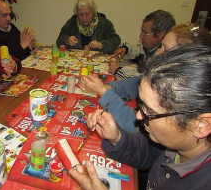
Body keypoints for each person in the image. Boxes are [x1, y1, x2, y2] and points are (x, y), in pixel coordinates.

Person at [70, 43, 211, 190]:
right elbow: (150, 154)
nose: (138, 116)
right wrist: (116, 137)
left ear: (201, 125)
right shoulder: (176, 145)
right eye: (141, 105)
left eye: (150, 111)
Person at [79, 23, 211, 133]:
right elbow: (136, 82)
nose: (158, 53)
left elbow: (137, 126)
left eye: (165, 49)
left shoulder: (178, 94)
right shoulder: (165, 76)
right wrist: (109, 87)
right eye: (161, 46)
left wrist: (104, 92)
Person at [109, 10, 175, 80]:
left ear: (160, 35)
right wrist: (125, 49)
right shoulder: (151, 47)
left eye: (145, 33)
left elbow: (142, 81)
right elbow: (138, 49)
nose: (140, 36)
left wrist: (118, 71)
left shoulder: (164, 59)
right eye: (141, 31)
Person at [56, 0, 121, 54]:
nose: (84, 18)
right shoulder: (72, 22)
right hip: (76, 62)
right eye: (81, 14)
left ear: (93, 11)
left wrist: (101, 44)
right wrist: (67, 40)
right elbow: (59, 41)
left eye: (87, 14)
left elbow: (116, 42)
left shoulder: (104, 23)